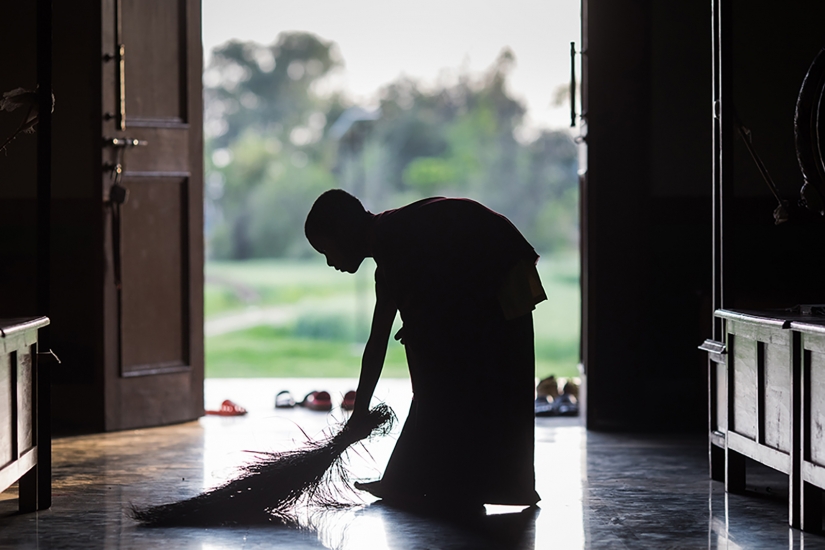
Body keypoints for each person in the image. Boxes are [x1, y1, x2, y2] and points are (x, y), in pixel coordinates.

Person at [304, 189, 547, 511]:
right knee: (434, 351)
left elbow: (456, 277)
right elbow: (376, 343)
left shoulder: (394, 241)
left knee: (480, 373)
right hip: (496, 270)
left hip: (503, 270)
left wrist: (429, 324)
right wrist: (358, 413)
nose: (329, 261)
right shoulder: (387, 257)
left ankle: (448, 480)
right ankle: (420, 479)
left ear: (343, 233)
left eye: (326, 250)